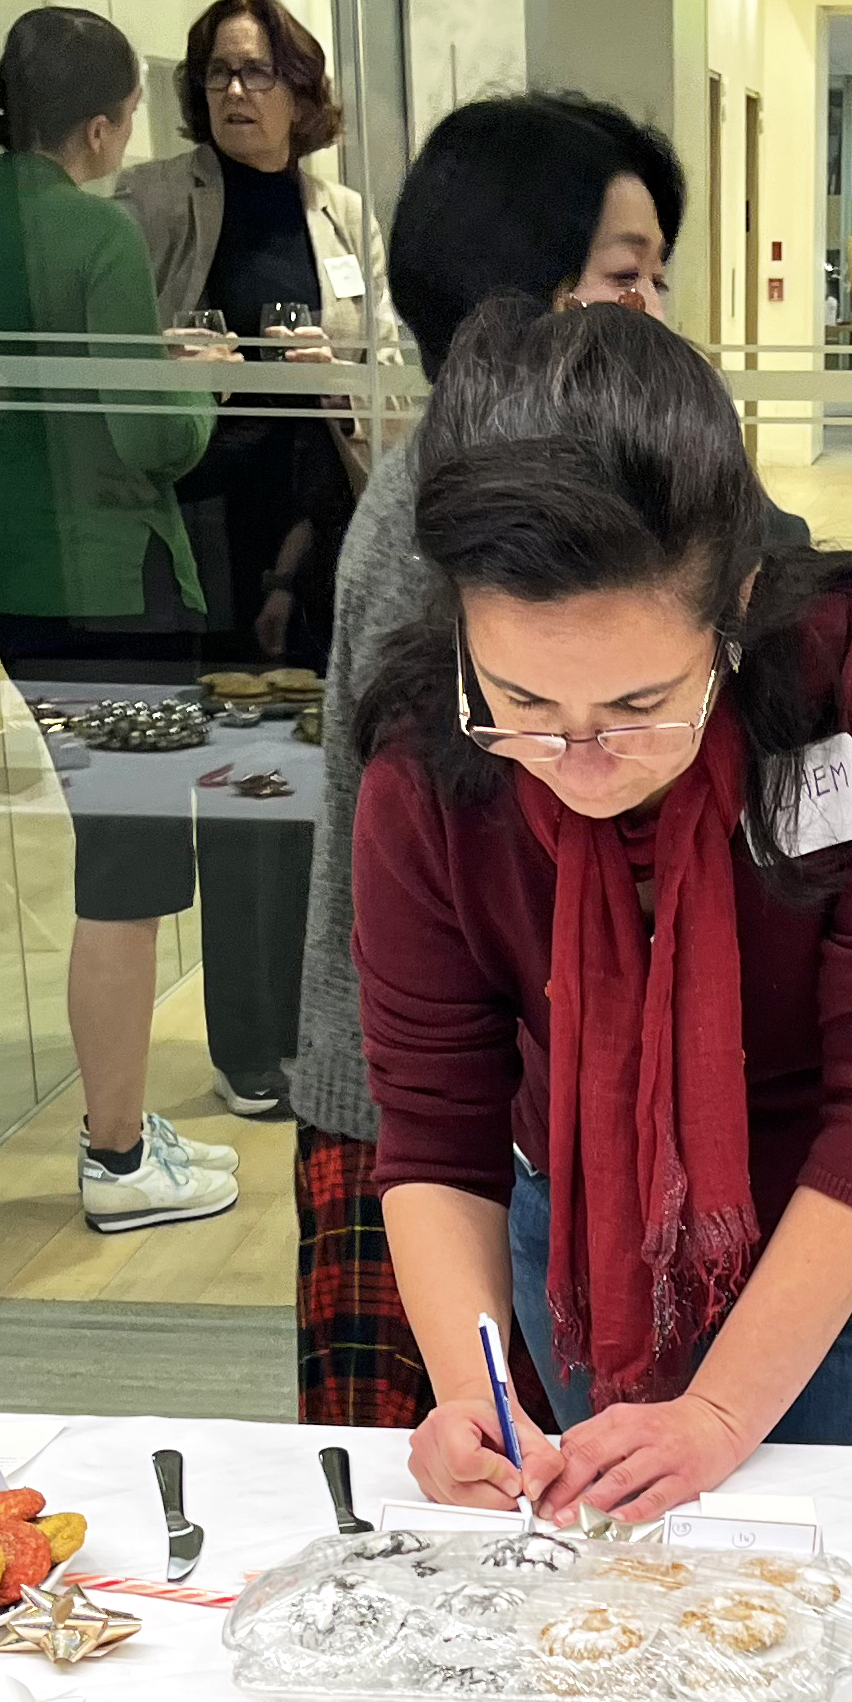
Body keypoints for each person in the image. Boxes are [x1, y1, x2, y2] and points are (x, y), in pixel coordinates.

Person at [352, 298, 852, 1518]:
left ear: (734, 603)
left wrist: (724, 1414)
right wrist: (478, 1396)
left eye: (637, 703)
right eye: (519, 696)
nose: (579, 758)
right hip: (596, 1241)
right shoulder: (425, 766)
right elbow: (433, 1117)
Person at [295, 93, 709, 1430]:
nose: (651, 310)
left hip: (499, 1088)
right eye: (619, 276)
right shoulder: (467, 526)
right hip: (438, 1100)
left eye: (655, 275)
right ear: (507, 298)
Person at [0, 5, 236, 1233]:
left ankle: (121, 1127)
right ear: (102, 124)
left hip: (21, 577)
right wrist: (192, 389)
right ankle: (113, 1159)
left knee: (116, 860)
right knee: (130, 876)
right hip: (118, 588)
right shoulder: (91, 236)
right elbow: (147, 435)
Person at [115, 0, 378, 1122]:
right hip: (207, 523)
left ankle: (314, 1016)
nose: (235, 92)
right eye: (218, 73)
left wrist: (339, 362)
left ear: (301, 92)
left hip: (315, 524)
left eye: (257, 73)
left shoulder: (341, 212)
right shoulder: (156, 200)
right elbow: (100, 345)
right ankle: (248, 1041)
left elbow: (383, 359)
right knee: (239, 785)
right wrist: (170, 360)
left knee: (319, 782)